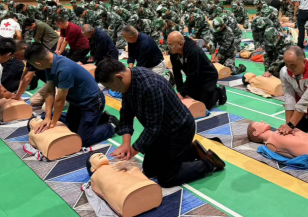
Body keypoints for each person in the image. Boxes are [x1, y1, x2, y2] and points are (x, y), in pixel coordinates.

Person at [94, 58, 225, 188]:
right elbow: (126, 112)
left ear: (119, 77)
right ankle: (191, 151)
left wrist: (131, 153)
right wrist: (126, 144)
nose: (112, 90)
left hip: (179, 130)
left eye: (110, 87)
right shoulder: (128, 82)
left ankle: (209, 163)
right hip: (162, 131)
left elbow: (152, 128)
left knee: (167, 178)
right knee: (150, 170)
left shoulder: (150, 86)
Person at [24, 43, 118, 148]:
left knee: (81, 141)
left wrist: (53, 124)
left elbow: (60, 100)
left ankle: (111, 125)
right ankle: (98, 119)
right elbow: (50, 92)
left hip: (92, 103)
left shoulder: (64, 69)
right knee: (68, 127)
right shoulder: (49, 65)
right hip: (76, 103)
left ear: (38, 63)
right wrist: (47, 118)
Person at [167, 32, 226, 110]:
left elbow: (193, 75)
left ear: (180, 44)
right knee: (190, 97)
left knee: (203, 106)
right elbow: (176, 72)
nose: (169, 48)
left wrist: (183, 93)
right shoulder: (174, 53)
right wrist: (180, 91)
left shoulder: (193, 51)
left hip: (208, 77)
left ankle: (218, 92)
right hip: (196, 77)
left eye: (171, 45)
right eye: (168, 45)